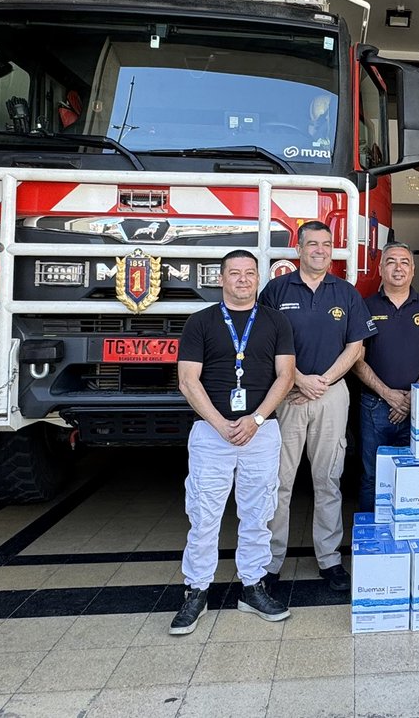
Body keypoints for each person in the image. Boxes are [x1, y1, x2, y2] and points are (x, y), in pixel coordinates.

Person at [171, 250, 296, 634]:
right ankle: (196, 591)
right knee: (204, 514)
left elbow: (286, 376)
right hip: (212, 433)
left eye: (249, 273)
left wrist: (255, 419)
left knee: (258, 513)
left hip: (261, 431)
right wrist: (221, 423)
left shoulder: (276, 321)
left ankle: (253, 587)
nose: (243, 280)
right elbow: (188, 380)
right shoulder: (200, 322)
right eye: (235, 274)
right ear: (221, 279)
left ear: (258, 278)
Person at [260, 221, 376, 592]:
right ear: (298, 249)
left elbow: (356, 347)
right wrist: (298, 380)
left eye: (326, 244)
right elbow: (264, 346)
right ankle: (270, 561)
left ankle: (329, 560)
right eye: (312, 244)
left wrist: (321, 381)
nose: (320, 250)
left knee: (329, 481)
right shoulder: (276, 290)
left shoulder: (346, 292)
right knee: (279, 482)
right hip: (287, 395)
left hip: (332, 395)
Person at [353, 242, 419, 512]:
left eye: (404, 262)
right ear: (381, 269)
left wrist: (411, 398)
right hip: (374, 406)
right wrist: (389, 395)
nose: (398, 267)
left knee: (416, 475)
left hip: (418, 408)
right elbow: (356, 360)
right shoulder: (364, 306)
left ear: (413, 270)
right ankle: (373, 544)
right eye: (391, 261)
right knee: (372, 475)